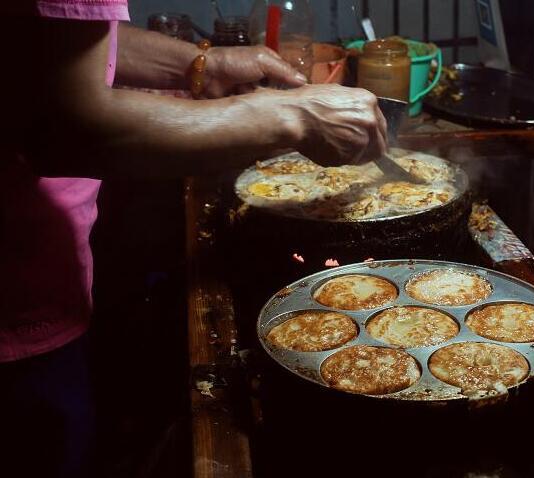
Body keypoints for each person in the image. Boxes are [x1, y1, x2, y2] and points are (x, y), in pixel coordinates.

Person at [0, 1, 387, 477]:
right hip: (15, 306)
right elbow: (61, 128)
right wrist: (291, 117)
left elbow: (45, 46)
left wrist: (199, 64)